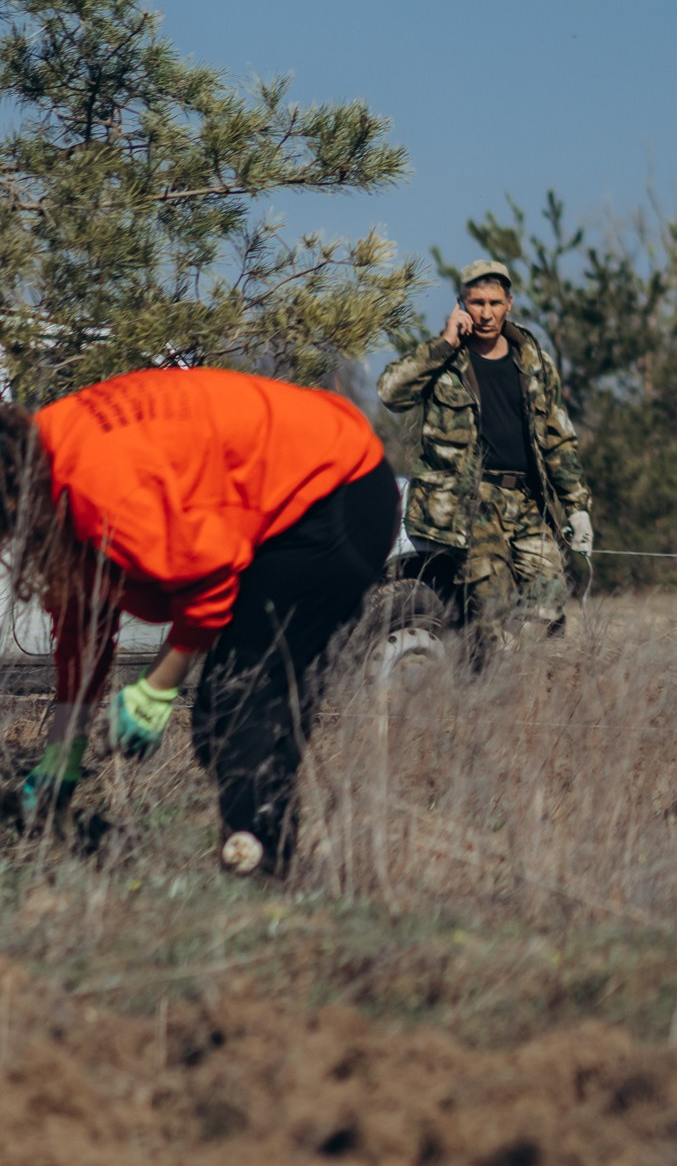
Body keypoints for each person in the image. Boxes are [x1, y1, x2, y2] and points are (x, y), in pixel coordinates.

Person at [0, 363, 399, 875]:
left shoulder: (100, 488)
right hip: (297, 496)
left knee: (238, 704)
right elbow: (85, 627)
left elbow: (210, 586)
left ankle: (260, 878)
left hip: (335, 493)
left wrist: (155, 691)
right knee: (240, 710)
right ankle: (265, 862)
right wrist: (62, 756)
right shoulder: (47, 459)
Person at [378, 260, 592, 635]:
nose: (486, 313)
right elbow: (390, 393)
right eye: (477, 302)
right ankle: (489, 665)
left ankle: (521, 665)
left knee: (549, 600)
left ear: (509, 303)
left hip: (526, 500)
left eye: (494, 303)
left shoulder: (534, 362)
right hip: (470, 501)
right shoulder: (445, 358)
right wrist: (445, 342)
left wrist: (577, 508)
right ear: (461, 303)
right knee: (490, 606)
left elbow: (558, 438)